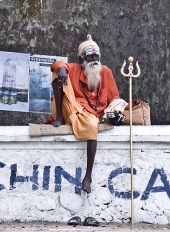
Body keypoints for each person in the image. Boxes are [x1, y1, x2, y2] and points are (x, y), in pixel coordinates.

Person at [50, 34, 120, 194]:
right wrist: (62, 68)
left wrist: (115, 110)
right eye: (90, 57)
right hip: (71, 109)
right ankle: (59, 117)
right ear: (81, 59)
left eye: (97, 56)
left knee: (91, 123)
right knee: (57, 75)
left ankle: (88, 176)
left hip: (93, 115)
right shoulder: (74, 68)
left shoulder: (105, 72)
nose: (94, 60)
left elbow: (115, 98)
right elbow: (57, 64)